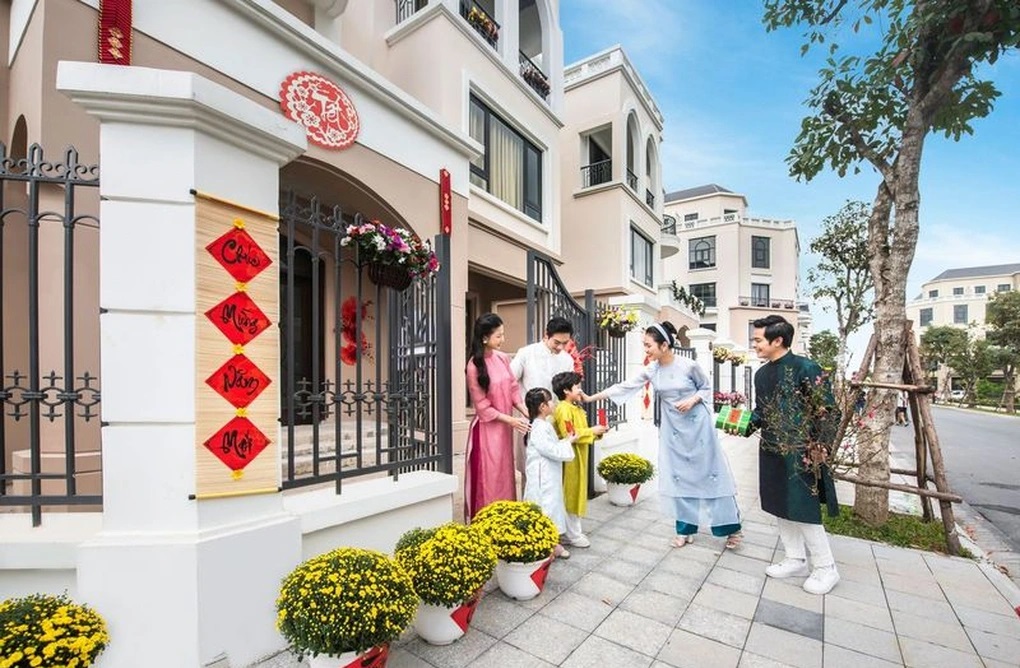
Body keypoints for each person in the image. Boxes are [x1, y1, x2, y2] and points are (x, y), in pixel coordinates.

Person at [585, 322, 743, 549]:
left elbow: (706, 389)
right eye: (644, 346)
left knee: (710, 474)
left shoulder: (689, 366)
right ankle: (685, 528)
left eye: (648, 345)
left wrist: (692, 400)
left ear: (664, 344)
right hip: (673, 430)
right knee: (679, 476)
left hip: (698, 428)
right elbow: (625, 386)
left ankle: (731, 529)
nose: (646, 350)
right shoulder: (653, 369)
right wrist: (591, 398)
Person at [746, 314, 840, 595]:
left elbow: (828, 410)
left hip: (803, 451)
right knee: (778, 504)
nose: (754, 345)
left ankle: (826, 568)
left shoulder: (806, 368)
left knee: (803, 507)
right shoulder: (761, 374)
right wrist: (741, 424)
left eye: (758, 340)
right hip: (771, 449)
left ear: (777, 340)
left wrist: (821, 445)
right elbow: (761, 412)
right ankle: (795, 558)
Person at [464, 313, 530, 521]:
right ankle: (488, 522)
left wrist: (525, 410)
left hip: (504, 427)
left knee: (505, 474)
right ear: (485, 338)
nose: (503, 340)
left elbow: (512, 389)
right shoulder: (474, 366)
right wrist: (511, 420)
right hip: (486, 430)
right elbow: (482, 406)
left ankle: (505, 520)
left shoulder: (503, 358)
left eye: (503, 334)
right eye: (498, 336)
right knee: (490, 476)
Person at [510, 317, 576, 495]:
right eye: (557, 342)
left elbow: (568, 392)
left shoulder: (567, 360)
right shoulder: (526, 353)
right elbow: (509, 382)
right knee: (530, 469)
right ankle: (529, 509)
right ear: (545, 335)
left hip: (555, 421)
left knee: (553, 467)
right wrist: (521, 409)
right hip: (528, 419)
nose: (561, 347)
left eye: (565, 343)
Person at [551, 371, 607, 548]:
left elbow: (580, 431)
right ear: (566, 390)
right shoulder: (563, 409)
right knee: (571, 494)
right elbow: (571, 434)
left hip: (579, 455)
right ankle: (572, 534)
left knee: (576, 493)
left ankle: (572, 532)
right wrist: (593, 431)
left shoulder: (575, 407)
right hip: (570, 459)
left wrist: (598, 433)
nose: (580, 389)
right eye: (577, 386)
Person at [522, 387, 576, 559]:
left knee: (551, 505)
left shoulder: (543, 425)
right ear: (542, 407)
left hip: (547, 474)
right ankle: (546, 545)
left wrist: (567, 440)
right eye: (550, 401)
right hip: (542, 477)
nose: (553, 403)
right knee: (545, 507)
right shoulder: (540, 427)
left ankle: (551, 543)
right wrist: (568, 443)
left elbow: (551, 447)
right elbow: (550, 450)